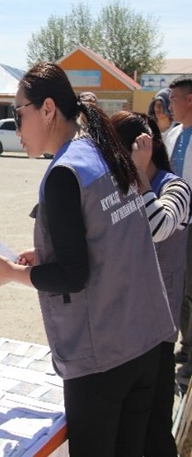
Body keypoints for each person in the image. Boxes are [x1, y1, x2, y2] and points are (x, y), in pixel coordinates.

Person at [0, 62, 175, 456]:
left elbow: (72, 274)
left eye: (19, 113)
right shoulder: (104, 150)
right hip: (145, 341)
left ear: (48, 109)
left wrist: (12, 273)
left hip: (104, 359)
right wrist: (41, 256)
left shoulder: (65, 172)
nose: (16, 126)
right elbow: (111, 237)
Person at [111, 111, 190, 457]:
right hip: (121, 331)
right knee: (125, 431)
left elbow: (159, 226)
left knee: (154, 432)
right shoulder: (120, 189)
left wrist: (140, 173)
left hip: (158, 332)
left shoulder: (177, 188)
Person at [165, 75, 192, 390]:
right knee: (179, 288)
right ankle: (185, 347)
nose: (169, 104)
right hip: (175, 224)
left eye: (173, 99)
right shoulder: (173, 136)